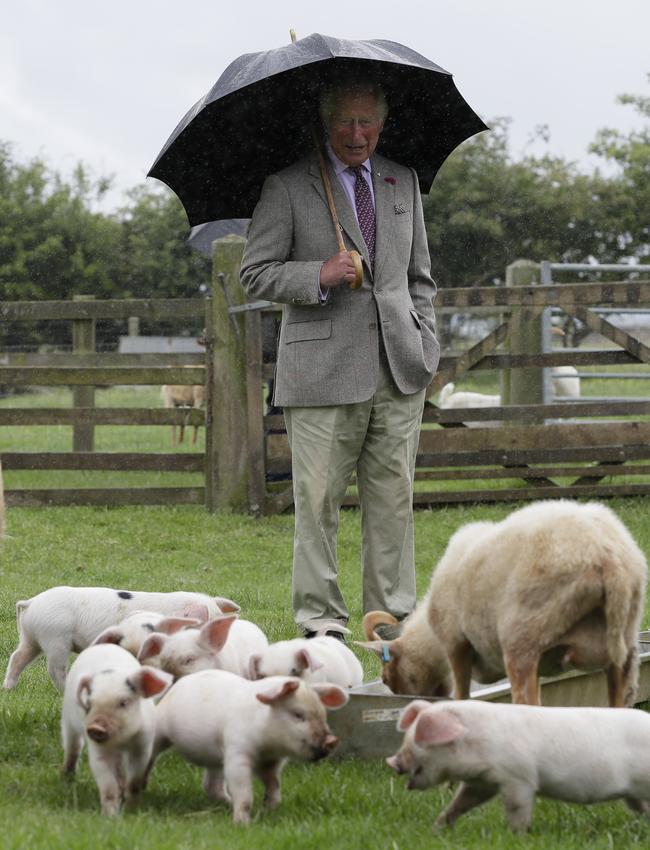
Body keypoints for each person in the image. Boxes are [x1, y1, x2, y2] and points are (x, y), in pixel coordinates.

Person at [240, 80, 439, 639]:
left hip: (400, 372)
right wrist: (319, 275)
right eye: (346, 123)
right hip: (321, 376)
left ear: (382, 124)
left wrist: (427, 342)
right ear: (327, 124)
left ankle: (391, 623)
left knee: (393, 507)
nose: (357, 135)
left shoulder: (404, 182)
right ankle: (321, 624)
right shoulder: (287, 185)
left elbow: (419, 277)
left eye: (367, 124)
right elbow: (254, 273)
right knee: (318, 505)